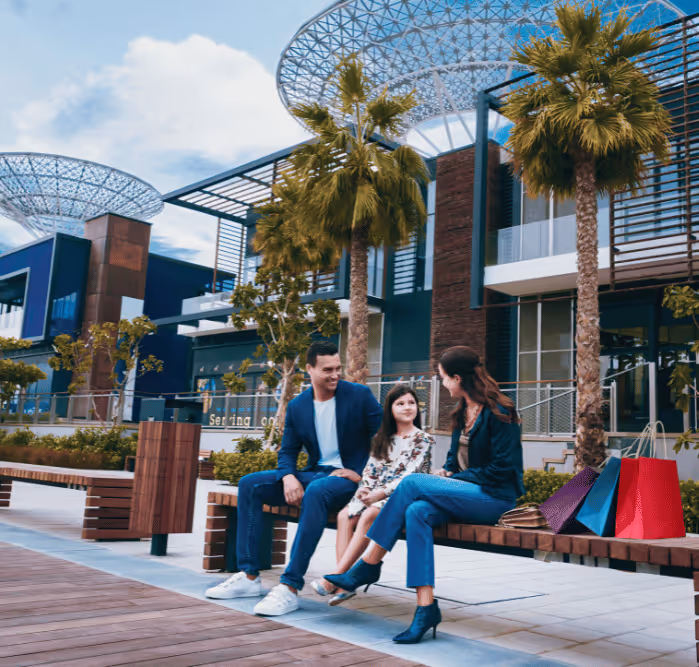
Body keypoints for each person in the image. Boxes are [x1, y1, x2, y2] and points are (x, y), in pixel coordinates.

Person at [324, 345, 524, 644]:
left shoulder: (501, 411)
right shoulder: (460, 414)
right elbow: (453, 461)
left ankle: (369, 565)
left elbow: (503, 469)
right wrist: (446, 472)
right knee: (417, 511)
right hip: (464, 494)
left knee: (414, 483)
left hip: (494, 499)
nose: (443, 384)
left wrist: (456, 478)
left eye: (443, 378)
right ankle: (426, 608)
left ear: (457, 378)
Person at [205, 340, 382, 616]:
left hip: (350, 479)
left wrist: (362, 473)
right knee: (249, 484)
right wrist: (288, 476)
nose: (335, 375)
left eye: (338, 368)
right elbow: (287, 450)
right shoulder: (298, 405)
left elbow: (387, 437)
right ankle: (249, 576)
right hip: (316, 473)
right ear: (309, 370)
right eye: (327, 370)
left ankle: (289, 586)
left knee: (316, 491)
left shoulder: (359, 395)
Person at [310, 385, 433, 606]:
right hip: (376, 492)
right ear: (391, 409)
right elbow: (370, 470)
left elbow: (409, 476)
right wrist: (365, 488)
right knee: (345, 515)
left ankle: (336, 577)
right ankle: (343, 584)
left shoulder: (422, 439)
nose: (407, 407)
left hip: (402, 494)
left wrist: (378, 494)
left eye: (411, 403)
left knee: (368, 516)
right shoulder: (382, 437)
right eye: (401, 403)